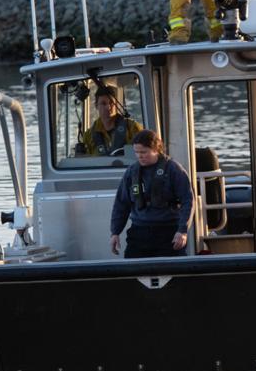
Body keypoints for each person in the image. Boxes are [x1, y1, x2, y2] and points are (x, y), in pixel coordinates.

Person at [109, 129, 194, 258]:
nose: (139, 156)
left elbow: (187, 200)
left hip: (168, 232)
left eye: (144, 152)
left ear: (156, 149)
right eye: (137, 152)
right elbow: (121, 204)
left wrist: (182, 230)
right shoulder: (131, 172)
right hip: (139, 232)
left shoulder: (173, 169)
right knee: (132, 271)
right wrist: (115, 232)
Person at [80, 85, 142, 156]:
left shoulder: (132, 128)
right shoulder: (88, 136)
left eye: (111, 103)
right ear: (96, 106)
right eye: (103, 103)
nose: (108, 107)